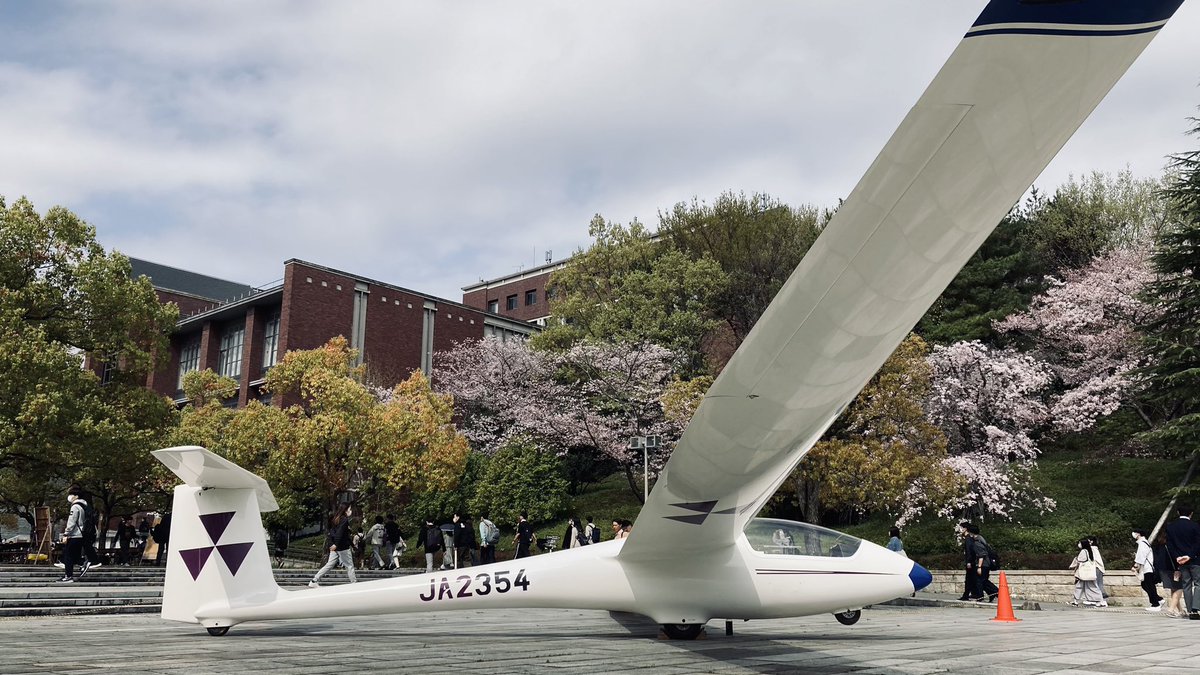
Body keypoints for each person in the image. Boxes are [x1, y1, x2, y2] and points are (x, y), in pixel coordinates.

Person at [309, 504, 358, 588]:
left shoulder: (336, 519)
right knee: (349, 565)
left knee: (329, 564)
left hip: (335, 547)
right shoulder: (344, 520)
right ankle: (354, 583)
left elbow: (332, 533)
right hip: (342, 547)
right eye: (350, 509)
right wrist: (336, 544)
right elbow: (340, 533)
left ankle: (314, 580)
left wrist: (333, 544)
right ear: (345, 510)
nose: (351, 511)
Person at [1166, 504, 1200, 619]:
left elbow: (1170, 545)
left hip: (1180, 562)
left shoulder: (1171, 527)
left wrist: (1177, 557)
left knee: (1186, 585)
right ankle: (1196, 608)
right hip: (1195, 560)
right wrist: (1190, 555)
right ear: (1191, 514)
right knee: (1198, 583)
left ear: (1178, 513)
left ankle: (1190, 610)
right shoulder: (1195, 526)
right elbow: (1198, 543)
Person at [56, 487, 88, 583]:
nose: (69, 497)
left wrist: (66, 533)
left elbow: (72, 522)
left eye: (71, 495)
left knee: (68, 555)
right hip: (81, 534)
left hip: (74, 535)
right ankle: (82, 563)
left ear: (76, 496)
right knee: (74, 555)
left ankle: (68, 576)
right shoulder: (83, 506)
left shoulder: (75, 507)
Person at [1153, 530, 1185, 617]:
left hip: (1163, 570)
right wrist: (1178, 568)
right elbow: (1175, 558)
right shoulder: (1171, 545)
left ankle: (1180, 610)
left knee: (1174, 589)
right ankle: (1171, 609)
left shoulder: (1159, 545)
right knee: (1179, 588)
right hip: (1173, 569)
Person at [1131, 529, 1162, 611]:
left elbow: (1141, 556)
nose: (1133, 535)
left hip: (1147, 568)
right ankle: (1158, 599)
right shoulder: (1144, 543)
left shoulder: (1142, 543)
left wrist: (1136, 565)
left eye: (1135, 533)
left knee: (1148, 585)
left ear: (1138, 534)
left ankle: (1156, 604)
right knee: (1146, 585)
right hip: (1146, 568)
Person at [1069, 538, 1105, 607]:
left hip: (1083, 573)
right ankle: (1100, 600)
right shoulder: (1090, 551)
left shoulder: (1083, 551)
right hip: (1090, 573)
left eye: (1080, 543)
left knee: (1079, 586)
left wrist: (1073, 565)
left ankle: (1075, 600)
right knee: (1094, 587)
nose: (1079, 545)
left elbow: (1079, 560)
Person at [1088, 535, 1108, 600]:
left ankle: (1101, 598)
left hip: (1096, 568)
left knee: (1097, 585)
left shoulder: (1092, 549)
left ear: (1091, 541)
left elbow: (1093, 559)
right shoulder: (1095, 548)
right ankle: (1102, 598)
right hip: (1099, 568)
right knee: (1099, 584)